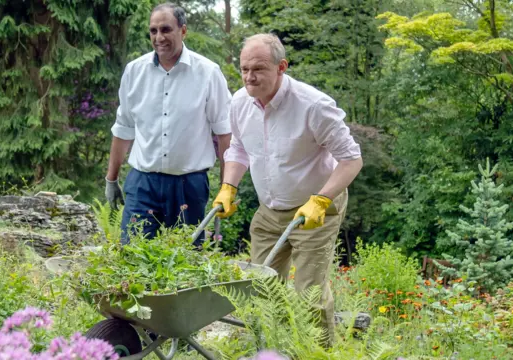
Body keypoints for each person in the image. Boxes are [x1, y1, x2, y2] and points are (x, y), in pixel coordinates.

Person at [212, 33, 363, 346]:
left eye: (258, 69)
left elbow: (351, 160)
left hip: (315, 209)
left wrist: (321, 200)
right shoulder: (239, 103)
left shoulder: (313, 106)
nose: (249, 77)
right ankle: (277, 348)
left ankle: (317, 352)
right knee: (262, 286)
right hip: (270, 211)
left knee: (309, 292)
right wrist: (228, 186)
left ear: (281, 67)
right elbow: (238, 148)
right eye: (244, 69)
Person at [105, 2, 232, 246]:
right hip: (143, 184)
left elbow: (224, 134)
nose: (158, 37)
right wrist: (111, 180)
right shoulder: (134, 72)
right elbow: (123, 128)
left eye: (166, 30)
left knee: (186, 264)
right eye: (153, 31)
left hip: (189, 185)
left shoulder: (208, 73)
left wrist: (227, 189)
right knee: (132, 256)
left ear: (183, 31)